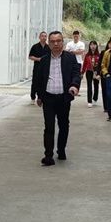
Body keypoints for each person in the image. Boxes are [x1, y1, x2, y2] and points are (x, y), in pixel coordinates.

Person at [31, 31, 81, 166]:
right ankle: (48, 155)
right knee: (49, 127)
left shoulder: (70, 58)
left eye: (58, 41)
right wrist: (39, 96)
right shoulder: (44, 60)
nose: (56, 44)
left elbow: (76, 74)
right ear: (49, 44)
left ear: (63, 42)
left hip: (64, 98)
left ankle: (61, 149)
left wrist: (74, 86)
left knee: (64, 125)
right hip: (48, 98)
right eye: (53, 41)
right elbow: (39, 80)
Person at [28, 31, 50, 104]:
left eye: (45, 36)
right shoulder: (35, 46)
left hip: (45, 68)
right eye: (42, 36)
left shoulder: (48, 47)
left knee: (43, 82)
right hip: (37, 67)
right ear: (39, 37)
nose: (44, 37)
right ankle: (33, 97)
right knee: (35, 82)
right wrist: (38, 59)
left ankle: (40, 97)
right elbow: (30, 56)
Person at [65, 30, 85, 96]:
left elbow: (81, 51)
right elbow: (66, 51)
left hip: (79, 62)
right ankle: (70, 89)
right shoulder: (69, 43)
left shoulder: (81, 44)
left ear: (79, 36)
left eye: (77, 36)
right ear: (73, 36)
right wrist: (76, 51)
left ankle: (77, 90)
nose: (76, 37)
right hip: (70, 62)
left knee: (78, 77)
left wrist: (72, 51)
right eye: (75, 36)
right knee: (70, 75)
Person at [81, 41, 100, 108]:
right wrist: (82, 73)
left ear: (96, 46)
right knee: (89, 86)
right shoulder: (87, 55)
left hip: (96, 72)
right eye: (91, 45)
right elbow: (84, 64)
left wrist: (99, 73)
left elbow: (100, 65)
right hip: (89, 72)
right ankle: (89, 101)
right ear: (89, 46)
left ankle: (95, 98)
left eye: (94, 44)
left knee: (96, 86)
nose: (93, 46)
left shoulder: (99, 55)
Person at [98, 41, 111, 112]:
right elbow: (99, 63)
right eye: (110, 43)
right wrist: (98, 73)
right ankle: (106, 107)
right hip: (104, 75)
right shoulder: (103, 52)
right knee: (105, 91)